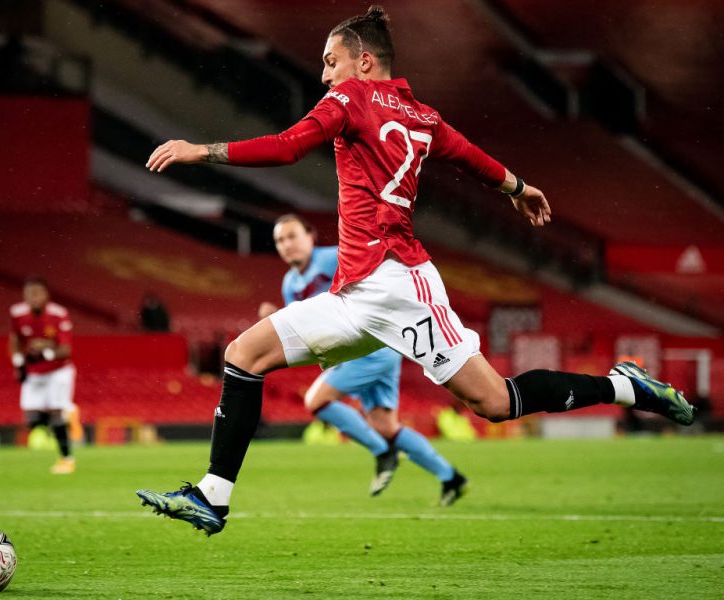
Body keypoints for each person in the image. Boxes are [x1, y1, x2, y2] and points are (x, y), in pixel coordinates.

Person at [137, 5, 696, 535]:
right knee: (243, 355)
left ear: (364, 61)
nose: (324, 74)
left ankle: (624, 385)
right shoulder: (423, 116)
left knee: (496, 402)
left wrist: (200, 151)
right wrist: (518, 188)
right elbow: (469, 155)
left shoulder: (351, 98)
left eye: (331, 61)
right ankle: (213, 496)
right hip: (355, 294)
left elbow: (288, 147)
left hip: (400, 283)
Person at [259, 213, 467, 503]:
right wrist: (278, 318)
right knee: (386, 427)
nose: (286, 244)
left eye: (292, 236)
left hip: (374, 348)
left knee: (317, 400)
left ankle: (383, 453)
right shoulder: (289, 283)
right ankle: (451, 478)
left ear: (310, 236)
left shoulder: (334, 258)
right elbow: (306, 323)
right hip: (365, 352)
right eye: (280, 240)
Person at [9, 276, 76, 474]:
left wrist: (44, 353)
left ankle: (66, 459)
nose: (33, 297)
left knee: (55, 411)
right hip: (35, 372)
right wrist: (18, 363)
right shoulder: (17, 313)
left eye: (37, 293)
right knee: (31, 418)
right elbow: (14, 339)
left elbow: (66, 350)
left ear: (46, 295)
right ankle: (60, 424)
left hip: (58, 370)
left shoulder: (58, 314)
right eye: (29, 293)